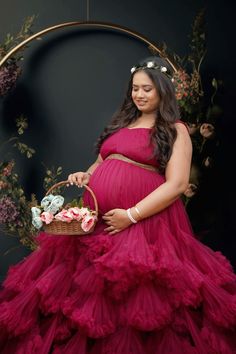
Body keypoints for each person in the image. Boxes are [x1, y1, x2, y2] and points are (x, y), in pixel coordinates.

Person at [0, 56, 236, 353]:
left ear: (163, 91)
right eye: (135, 88)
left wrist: (131, 215)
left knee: (138, 303)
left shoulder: (175, 131)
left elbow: (176, 185)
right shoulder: (122, 124)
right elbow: (101, 162)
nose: (139, 94)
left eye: (147, 89)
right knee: (89, 298)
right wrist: (85, 175)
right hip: (97, 224)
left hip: (144, 228)